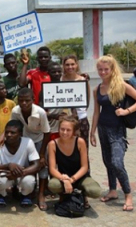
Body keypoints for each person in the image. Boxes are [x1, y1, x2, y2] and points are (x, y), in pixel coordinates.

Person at [90, 55, 136, 211]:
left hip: (117, 130)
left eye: (106, 69)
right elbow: (96, 112)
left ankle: (128, 194)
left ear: (112, 69)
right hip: (102, 128)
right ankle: (112, 190)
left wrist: (126, 111)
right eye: (100, 69)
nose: (103, 72)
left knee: (117, 162)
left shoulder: (121, 85)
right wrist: (92, 132)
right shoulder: (97, 89)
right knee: (108, 162)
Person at [7, 88, 50, 211]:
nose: (24, 103)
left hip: (39, 140)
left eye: (27, 100)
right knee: (23, 165)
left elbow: (47, 133)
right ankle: (20, 191)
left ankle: (41, 195)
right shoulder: (15, 110)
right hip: (24, 140)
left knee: (42, 167)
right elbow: (12, 126)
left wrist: (41, 154)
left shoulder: (40, 112)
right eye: (21, 101)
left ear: (33, 100)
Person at [48, 116, 101, 209]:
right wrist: (63, 179)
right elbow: (52, 168)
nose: (64, 132)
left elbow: (85, 167)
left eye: (68, 130)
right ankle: (63, 195)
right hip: (62, 177)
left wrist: (71, 180)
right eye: (62, 129)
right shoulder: (52, 144)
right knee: (53, 185)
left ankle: (83, 196)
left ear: (73, 131)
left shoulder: (80, 142)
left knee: (95, 191)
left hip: (79, 177)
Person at [0, 120, 40, 207]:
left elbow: (37, 165)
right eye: (7, 132)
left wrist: (18, 173)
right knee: (1, 180)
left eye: (13, 133)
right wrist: (8, 165)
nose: (9, 135)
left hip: (22, 173)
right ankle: (2, 195)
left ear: (20, 134)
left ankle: (25, 195)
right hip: (6, 173)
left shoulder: (28, 142)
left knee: (29, 181)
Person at [62, 55, 91, 146]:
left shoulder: (83, 80)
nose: (70, 67)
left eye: (72, 64)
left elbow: (87, 99)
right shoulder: (60, 80)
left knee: (83, 148)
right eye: (67, 65)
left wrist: (80, 113)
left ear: (76, 65)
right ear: (63, 66)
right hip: (66, 120)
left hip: (81, 119)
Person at [39, 62, 68, 140]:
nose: (57, 74)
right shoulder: (44, 90)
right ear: (48, 73)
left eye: (59, 71)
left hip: (66, 128)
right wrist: (52, 115)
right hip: (51, 128)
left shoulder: (67, 88)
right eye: (54, 72)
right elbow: (40, 111)